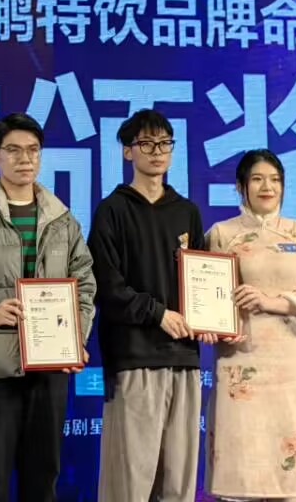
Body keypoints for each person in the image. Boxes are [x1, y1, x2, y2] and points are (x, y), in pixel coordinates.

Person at [0, 112, 96, 502]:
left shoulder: (64, 221)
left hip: (50, 369)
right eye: (13, 150)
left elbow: (85, 285)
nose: (24, 159)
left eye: (33, 150)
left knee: (43, 481)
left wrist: (75, 338)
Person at [90, 108, 210, 502]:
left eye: (164, 144)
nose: (157, 152)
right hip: (134, 358)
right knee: (132, 481)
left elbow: (202, 281)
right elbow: (106, 286)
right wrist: (157, 313)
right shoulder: (112, 210)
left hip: (185, 357)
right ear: (128, 152)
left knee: (179, 481)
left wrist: (210, 317)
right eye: (146, 144)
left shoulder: (187, 211)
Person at [204, 149, 296, 502]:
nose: (268, 187)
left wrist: (270, 302)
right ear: (240, 186)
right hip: (239, 359)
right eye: (258, 179)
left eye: (275, 180)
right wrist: (207, 322)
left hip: (290, 362)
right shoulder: (221, 234)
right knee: (240, 471)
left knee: (288, 477)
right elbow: (205, 288)